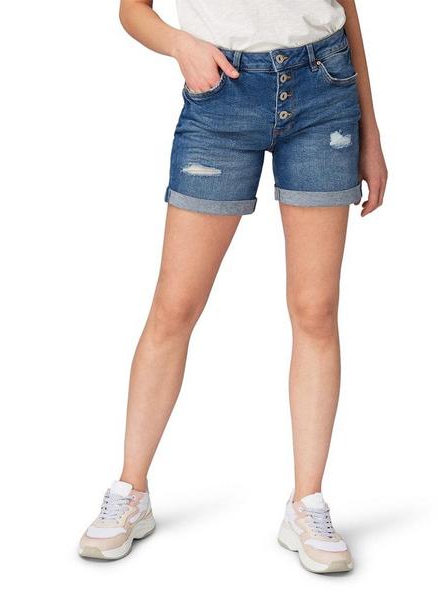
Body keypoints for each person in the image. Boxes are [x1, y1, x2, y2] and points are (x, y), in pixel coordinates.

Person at [78, 0, 387, 572]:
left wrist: (371, 134)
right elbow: (132, 10)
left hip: (324, 91)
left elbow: (345, 8)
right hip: (221, 95)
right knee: (175, 307)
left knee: (316, 310)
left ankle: (307, 503)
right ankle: (130, 490)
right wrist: (181, 45)